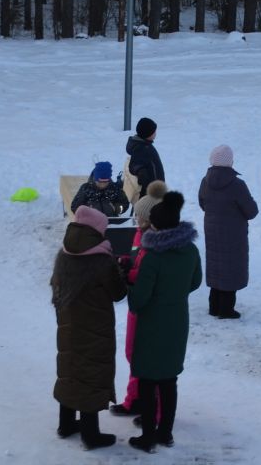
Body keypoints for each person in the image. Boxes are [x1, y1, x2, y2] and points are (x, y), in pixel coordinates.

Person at [124, 191, 202, 451]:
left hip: (151, 327)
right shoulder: (190, 250)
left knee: (147, 382)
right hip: (178, 322)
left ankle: (147, 437)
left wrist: (126, 283)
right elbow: (195, 282)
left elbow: (138, 301)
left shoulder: (153, 258)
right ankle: (165, 433)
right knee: (169, 381)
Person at [51, 206, 128, 449]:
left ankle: (66, 424)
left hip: (68, 326)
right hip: (95, 328)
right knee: (90, 375)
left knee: (71, 371)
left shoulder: (64, 254)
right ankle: (90, 434)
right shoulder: (101, 259)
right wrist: (121, 270)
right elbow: (118, 293)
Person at [114, 180, 170, 421]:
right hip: (136, 305)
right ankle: (134, 399)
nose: (136, 220)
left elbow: (153, 274)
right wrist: (125, 261)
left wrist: (130, 274)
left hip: (152, 309)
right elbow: (138, 260)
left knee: (152, 360)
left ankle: (154, 408)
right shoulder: (140, 234)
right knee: (132, 353)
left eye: (140, 217)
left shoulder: (162, 242)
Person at [199, 144, 260, 319]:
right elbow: (251, 211)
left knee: (216, 263)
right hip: (233, 233)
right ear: (230, 162)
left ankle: (214, 306)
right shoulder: (237, 185)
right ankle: (226, 309)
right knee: (230, 267)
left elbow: (203, 203)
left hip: (211, 229)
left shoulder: (205, 181)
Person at [126, 116, 164, 203]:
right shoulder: (142, 148)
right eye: (154, 132)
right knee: (146, 213)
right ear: (147, 133)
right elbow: (133, 165)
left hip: (155, 189)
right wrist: (141, 171)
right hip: (149, 191)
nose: (155, 133)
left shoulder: (145, 146)